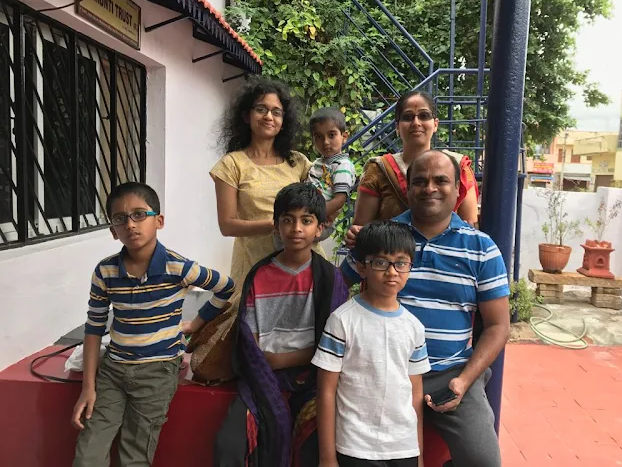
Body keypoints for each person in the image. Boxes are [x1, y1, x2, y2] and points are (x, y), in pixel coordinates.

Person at [345, 151, 510, 466]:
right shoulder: (382, 237)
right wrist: (355, 244)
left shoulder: (481, 248)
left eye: (441, 180)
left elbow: (498, 327)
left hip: (450, 374)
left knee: (483, 461)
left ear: (458, 189)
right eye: (419, 181)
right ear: (408, 189)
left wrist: (464, 381)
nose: (429, 188)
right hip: (384, 371)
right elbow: (338, 286)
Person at [71, 182, 235, 467]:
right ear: (113, 231)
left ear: (159, 221)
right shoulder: (105, 271)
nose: (130, 224)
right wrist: (88, 387)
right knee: (88, 455)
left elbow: (226, 287)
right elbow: (94, 327)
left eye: (139, 214)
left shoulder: (179, 268)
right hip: (112, 372)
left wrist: (195, 324)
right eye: (120, 218)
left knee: (134, 456)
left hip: (157, 373)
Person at [215, 183, 349, 467]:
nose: (296, 228)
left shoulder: (330, 278)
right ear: (276, 226)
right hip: (262, 375)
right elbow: (248, 338)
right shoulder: (259, 274)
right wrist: (269, 363)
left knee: (315, 442)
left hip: (313, 378)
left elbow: (334, 343)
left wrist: (283, 359)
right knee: (230, 444)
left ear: (320, 228)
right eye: (288, 220)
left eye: (306, 220)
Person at [313, 221, 431, 467]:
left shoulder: (414, 327)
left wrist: (419, 455)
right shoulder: (342, 321)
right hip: (355, 446)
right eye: (380, 262)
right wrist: (327, 457)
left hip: (403, 446)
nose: (392, 272)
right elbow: (326, 391)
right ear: (361, 267)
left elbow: (415, 394)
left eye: (401, 263)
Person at [211, 77, 323, 306]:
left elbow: (320, 202)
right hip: (255, 264)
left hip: (304, 264)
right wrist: (277, 225)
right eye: (261, 109)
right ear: (246, 115)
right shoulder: (232, 164)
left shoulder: (298, 162)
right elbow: (227, 225)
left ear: (284, 120)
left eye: (276, 112)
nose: (269, 117)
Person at [347, 90, 479, 247]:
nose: (416, 123)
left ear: (435, 124)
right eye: (408, 117)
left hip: (448, 257)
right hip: (390, 257)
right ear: (397, 127)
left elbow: (470, 228)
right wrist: (356, 235)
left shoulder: (458, 167)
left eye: (424, 116)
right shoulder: (379, 170)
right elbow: (361, 232)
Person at [306, 107, 356, 240]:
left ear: (344, 137)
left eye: (331, 135)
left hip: (322, 221)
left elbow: (339, 200)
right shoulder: (318, 163)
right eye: (319, 137)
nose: (326, 142)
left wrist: (315, 216)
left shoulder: (343, 165)